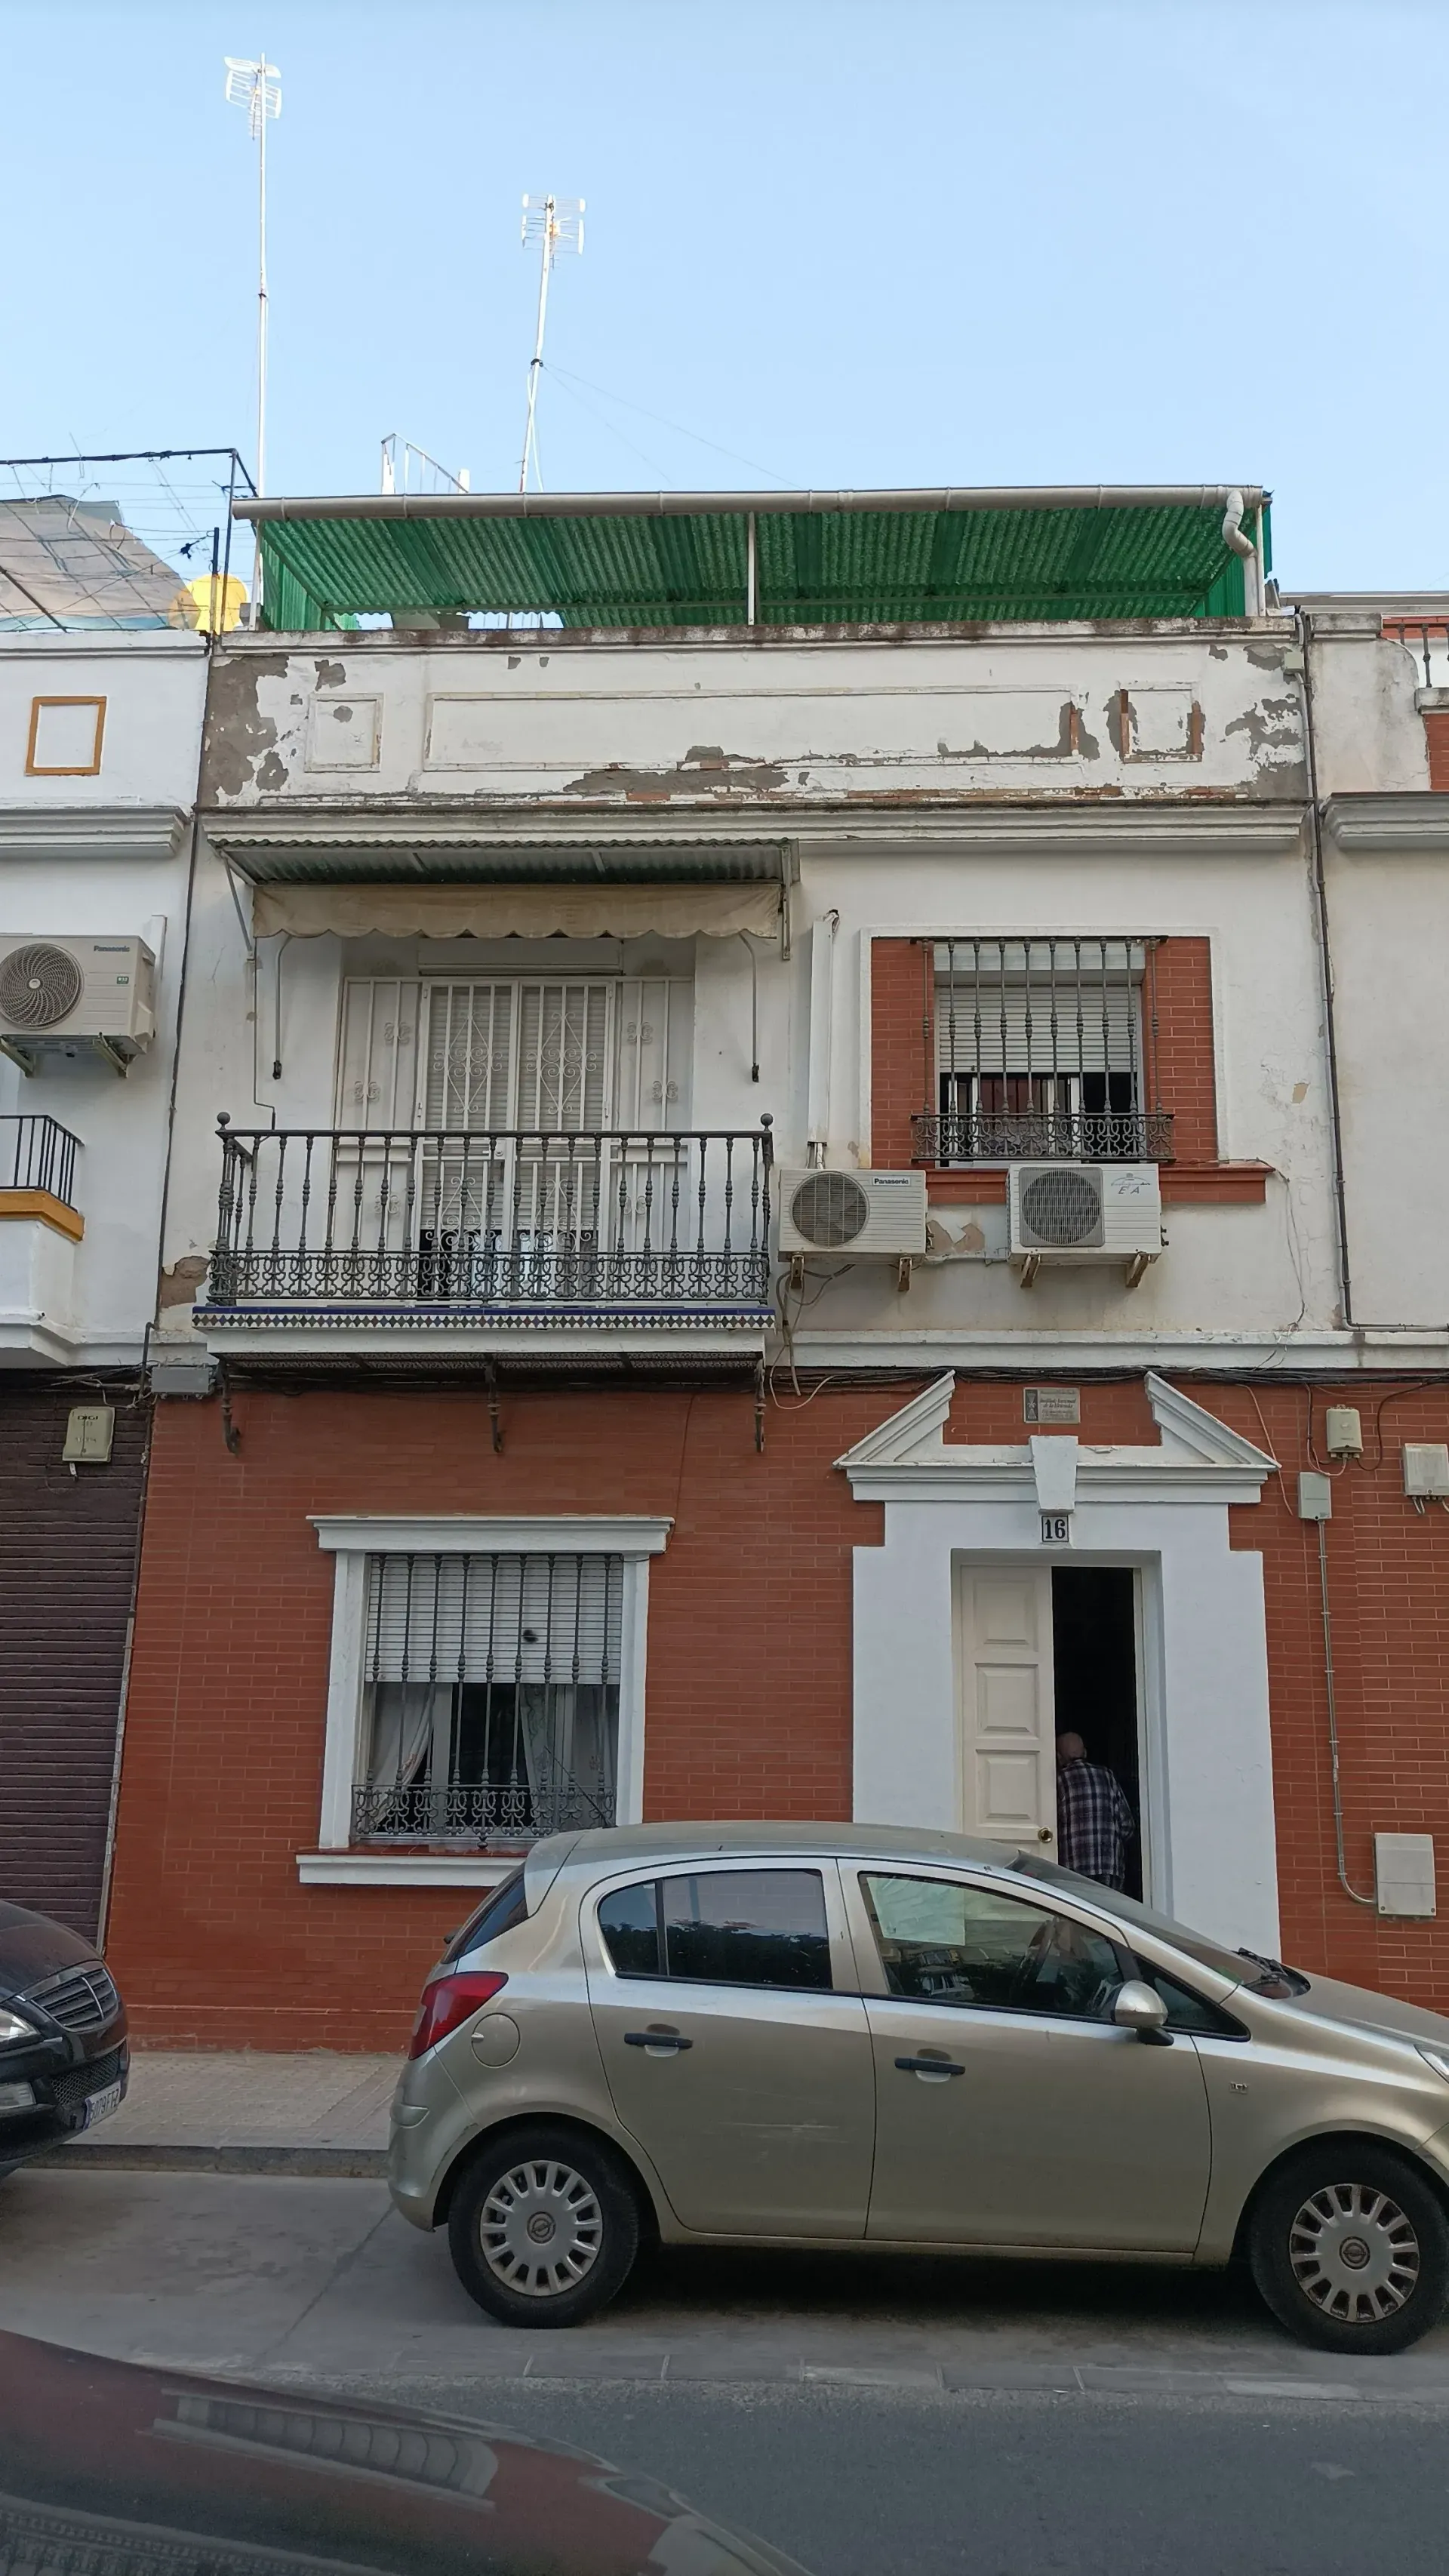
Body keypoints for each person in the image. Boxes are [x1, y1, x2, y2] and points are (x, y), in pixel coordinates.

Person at [1055, 1731, 1135, 1889]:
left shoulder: (1059, 1781)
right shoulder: (1107, 1776)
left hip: (1072, 1869)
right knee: (1107, 1912)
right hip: (1109, 1866)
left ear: (1058, 1757)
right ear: (1085, 1753)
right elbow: (1127, 1826)